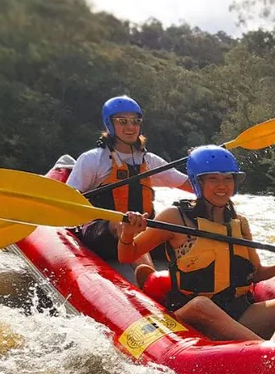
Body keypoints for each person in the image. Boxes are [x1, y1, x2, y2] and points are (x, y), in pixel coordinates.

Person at [117, 145, 275, 341]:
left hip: (238, 313)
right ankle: (266, 351)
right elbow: (127, 255)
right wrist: (127, 233)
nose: (222, 186)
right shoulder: (175, 218)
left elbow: (257, 274)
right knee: (201, 304)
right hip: (193, 316)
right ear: (197, 182)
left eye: (228, 179)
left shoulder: (239, 222)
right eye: (213, 179)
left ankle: (271, 351)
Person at [67, 95, 193, 267]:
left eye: (135, 121)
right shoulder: (93, 159)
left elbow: (193, 187)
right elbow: (70, 198)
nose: (131, 127)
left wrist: (201, 167)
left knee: (176, 220)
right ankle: (147, 275)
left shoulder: (150, 161)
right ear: (110, 124)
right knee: (126, 223)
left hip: (143, 231)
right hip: (102, 233)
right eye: (122, 121)